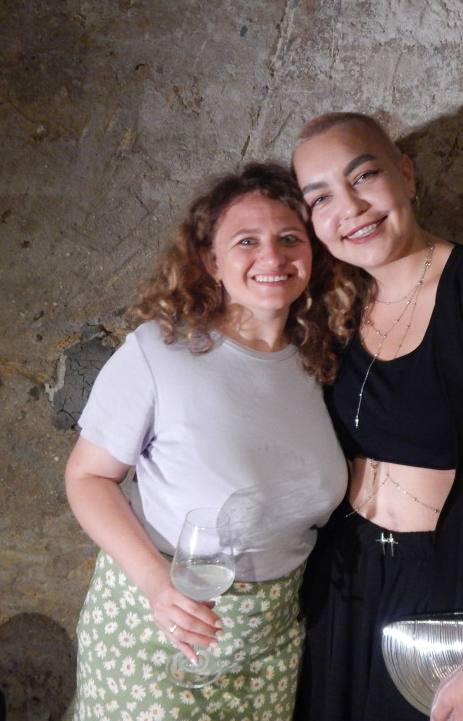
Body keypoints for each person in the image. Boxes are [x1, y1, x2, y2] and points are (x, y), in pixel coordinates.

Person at [289, 113, 463, 721]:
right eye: (320, 198)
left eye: (363, 176)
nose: (350, 208)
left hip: (453, 593)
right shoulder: (331, 305)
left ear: (407, 175)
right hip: (341, 580)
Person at [65, 162, 348, 720]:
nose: (272, 257)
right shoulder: (160, 351)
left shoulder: (318, 360)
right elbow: (88, 477)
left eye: (290, 239)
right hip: (159, 627)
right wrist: (156, 585)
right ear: (211, 261)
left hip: (270, 636)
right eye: (247, 241)